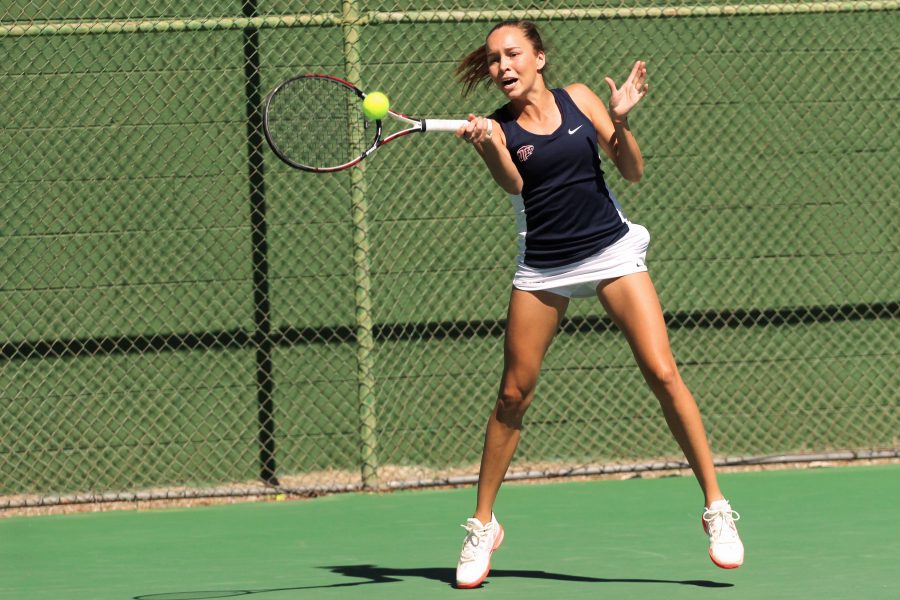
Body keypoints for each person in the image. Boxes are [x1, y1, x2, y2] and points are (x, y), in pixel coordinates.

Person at [451, 20, 744, 589]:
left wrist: (624, 120)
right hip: (545, 265)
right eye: (492, 60)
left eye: (512, 54)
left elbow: (631, 170)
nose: (501, 66)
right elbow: (515, 187)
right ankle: (482, 525)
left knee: (663, 373)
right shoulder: (503, 128)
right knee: (513, 395)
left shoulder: (582, 99)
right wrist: (489, 146)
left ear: (538, 57)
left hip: (611, 251)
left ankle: (716, 507)